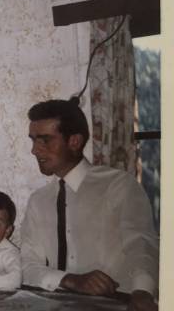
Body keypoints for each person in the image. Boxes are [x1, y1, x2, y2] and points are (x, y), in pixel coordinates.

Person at [21, 99, 158, 311]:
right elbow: (28, 265)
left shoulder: (118, 185)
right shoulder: (38, 201)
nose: (34, 150)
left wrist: (143, 292)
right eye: (33, 140)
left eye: (45, 140)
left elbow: (141, 245)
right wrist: (71, 280)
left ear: (74, 141)